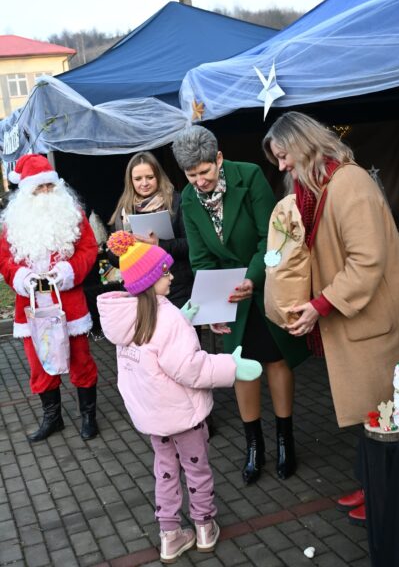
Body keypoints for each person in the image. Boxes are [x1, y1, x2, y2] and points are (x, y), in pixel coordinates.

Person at [263, 110, 399, 524]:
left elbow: (367, 261)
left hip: (371, 324)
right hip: (356, 321)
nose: (282, 167)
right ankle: (373, 485)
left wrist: (320, 305)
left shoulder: (349, 183)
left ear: (304, 145)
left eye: (284, 156)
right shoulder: (323, 186)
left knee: (384, 417)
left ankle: (385, 499)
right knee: (371, 416)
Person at [96, 230, 262, 563]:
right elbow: (190, 368)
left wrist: (184, 317)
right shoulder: (167, 317)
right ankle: (204, 526)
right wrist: (231, 366)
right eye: (165, 273)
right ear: (149, 280)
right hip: (183, 416)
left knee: (165, 471)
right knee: (197, 470)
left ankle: (170, 535)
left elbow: (153, 353)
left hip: (155, 417)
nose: (172, 276)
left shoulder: (129, 319)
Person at [171, 125, 309, 484]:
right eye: (191, 175)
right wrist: (211, 307)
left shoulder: (249, 176)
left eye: (204, 171)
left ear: (218, 159)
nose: (199, 181)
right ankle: (254, 446)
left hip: (265, 282)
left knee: (277, 360)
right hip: (228, 294)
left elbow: (270, 237)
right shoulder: (189, 200)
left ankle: (285, 441)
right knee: (240, 366)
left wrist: (252, 278)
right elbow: (201, 259)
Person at [0, 154, 99, 442]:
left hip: (69, 301)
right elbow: (5, 260)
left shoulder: (73, 215)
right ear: (26, 192)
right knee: (38, 362)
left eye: (49, 186)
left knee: (81, 359)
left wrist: (68, 271)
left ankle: (88, 416)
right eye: (38, 188)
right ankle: (52, 418)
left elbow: (89, 249)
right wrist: (21, 277)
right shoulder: (12, 223)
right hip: (30, 304)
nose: (45, 193)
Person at [108, 151, 193, 309]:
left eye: (150, 177)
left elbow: (192, 244)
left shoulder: (176, 202)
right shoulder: (124, 210)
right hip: (142, 295)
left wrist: (159, 244)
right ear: (130, 181)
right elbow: (113, 259)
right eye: (138, 179)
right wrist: (126, 248)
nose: (144, 183)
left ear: (158, 177)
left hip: (177, 287)